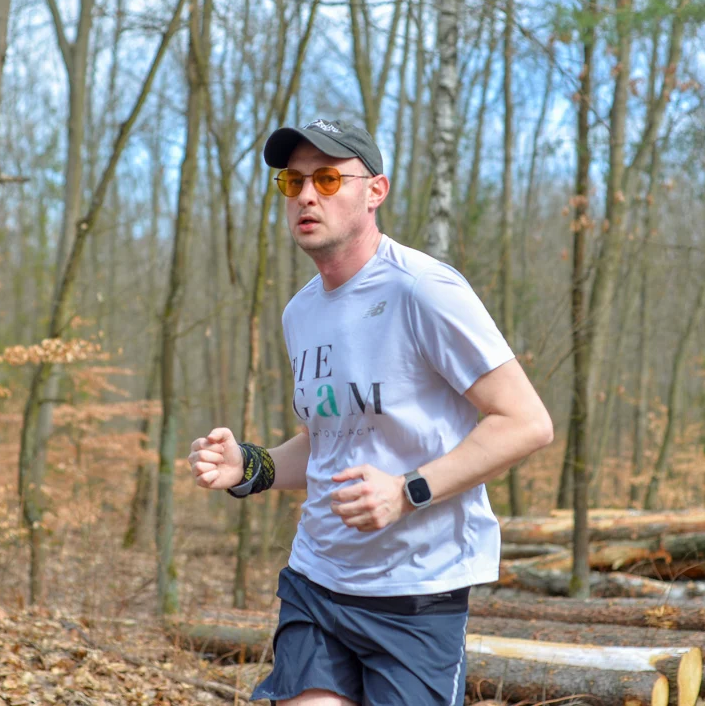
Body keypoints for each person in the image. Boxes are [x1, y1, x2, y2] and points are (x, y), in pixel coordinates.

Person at [187, 119, 555, 706]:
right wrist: (251, 466)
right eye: (294, 182)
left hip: (417, 591)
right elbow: (329, 438)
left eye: (328, 179)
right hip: (317, 579)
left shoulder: (424, 289)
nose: (307, 196)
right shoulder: (300, 313)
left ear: (375, 191)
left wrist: (407, 490)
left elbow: (526, 423)